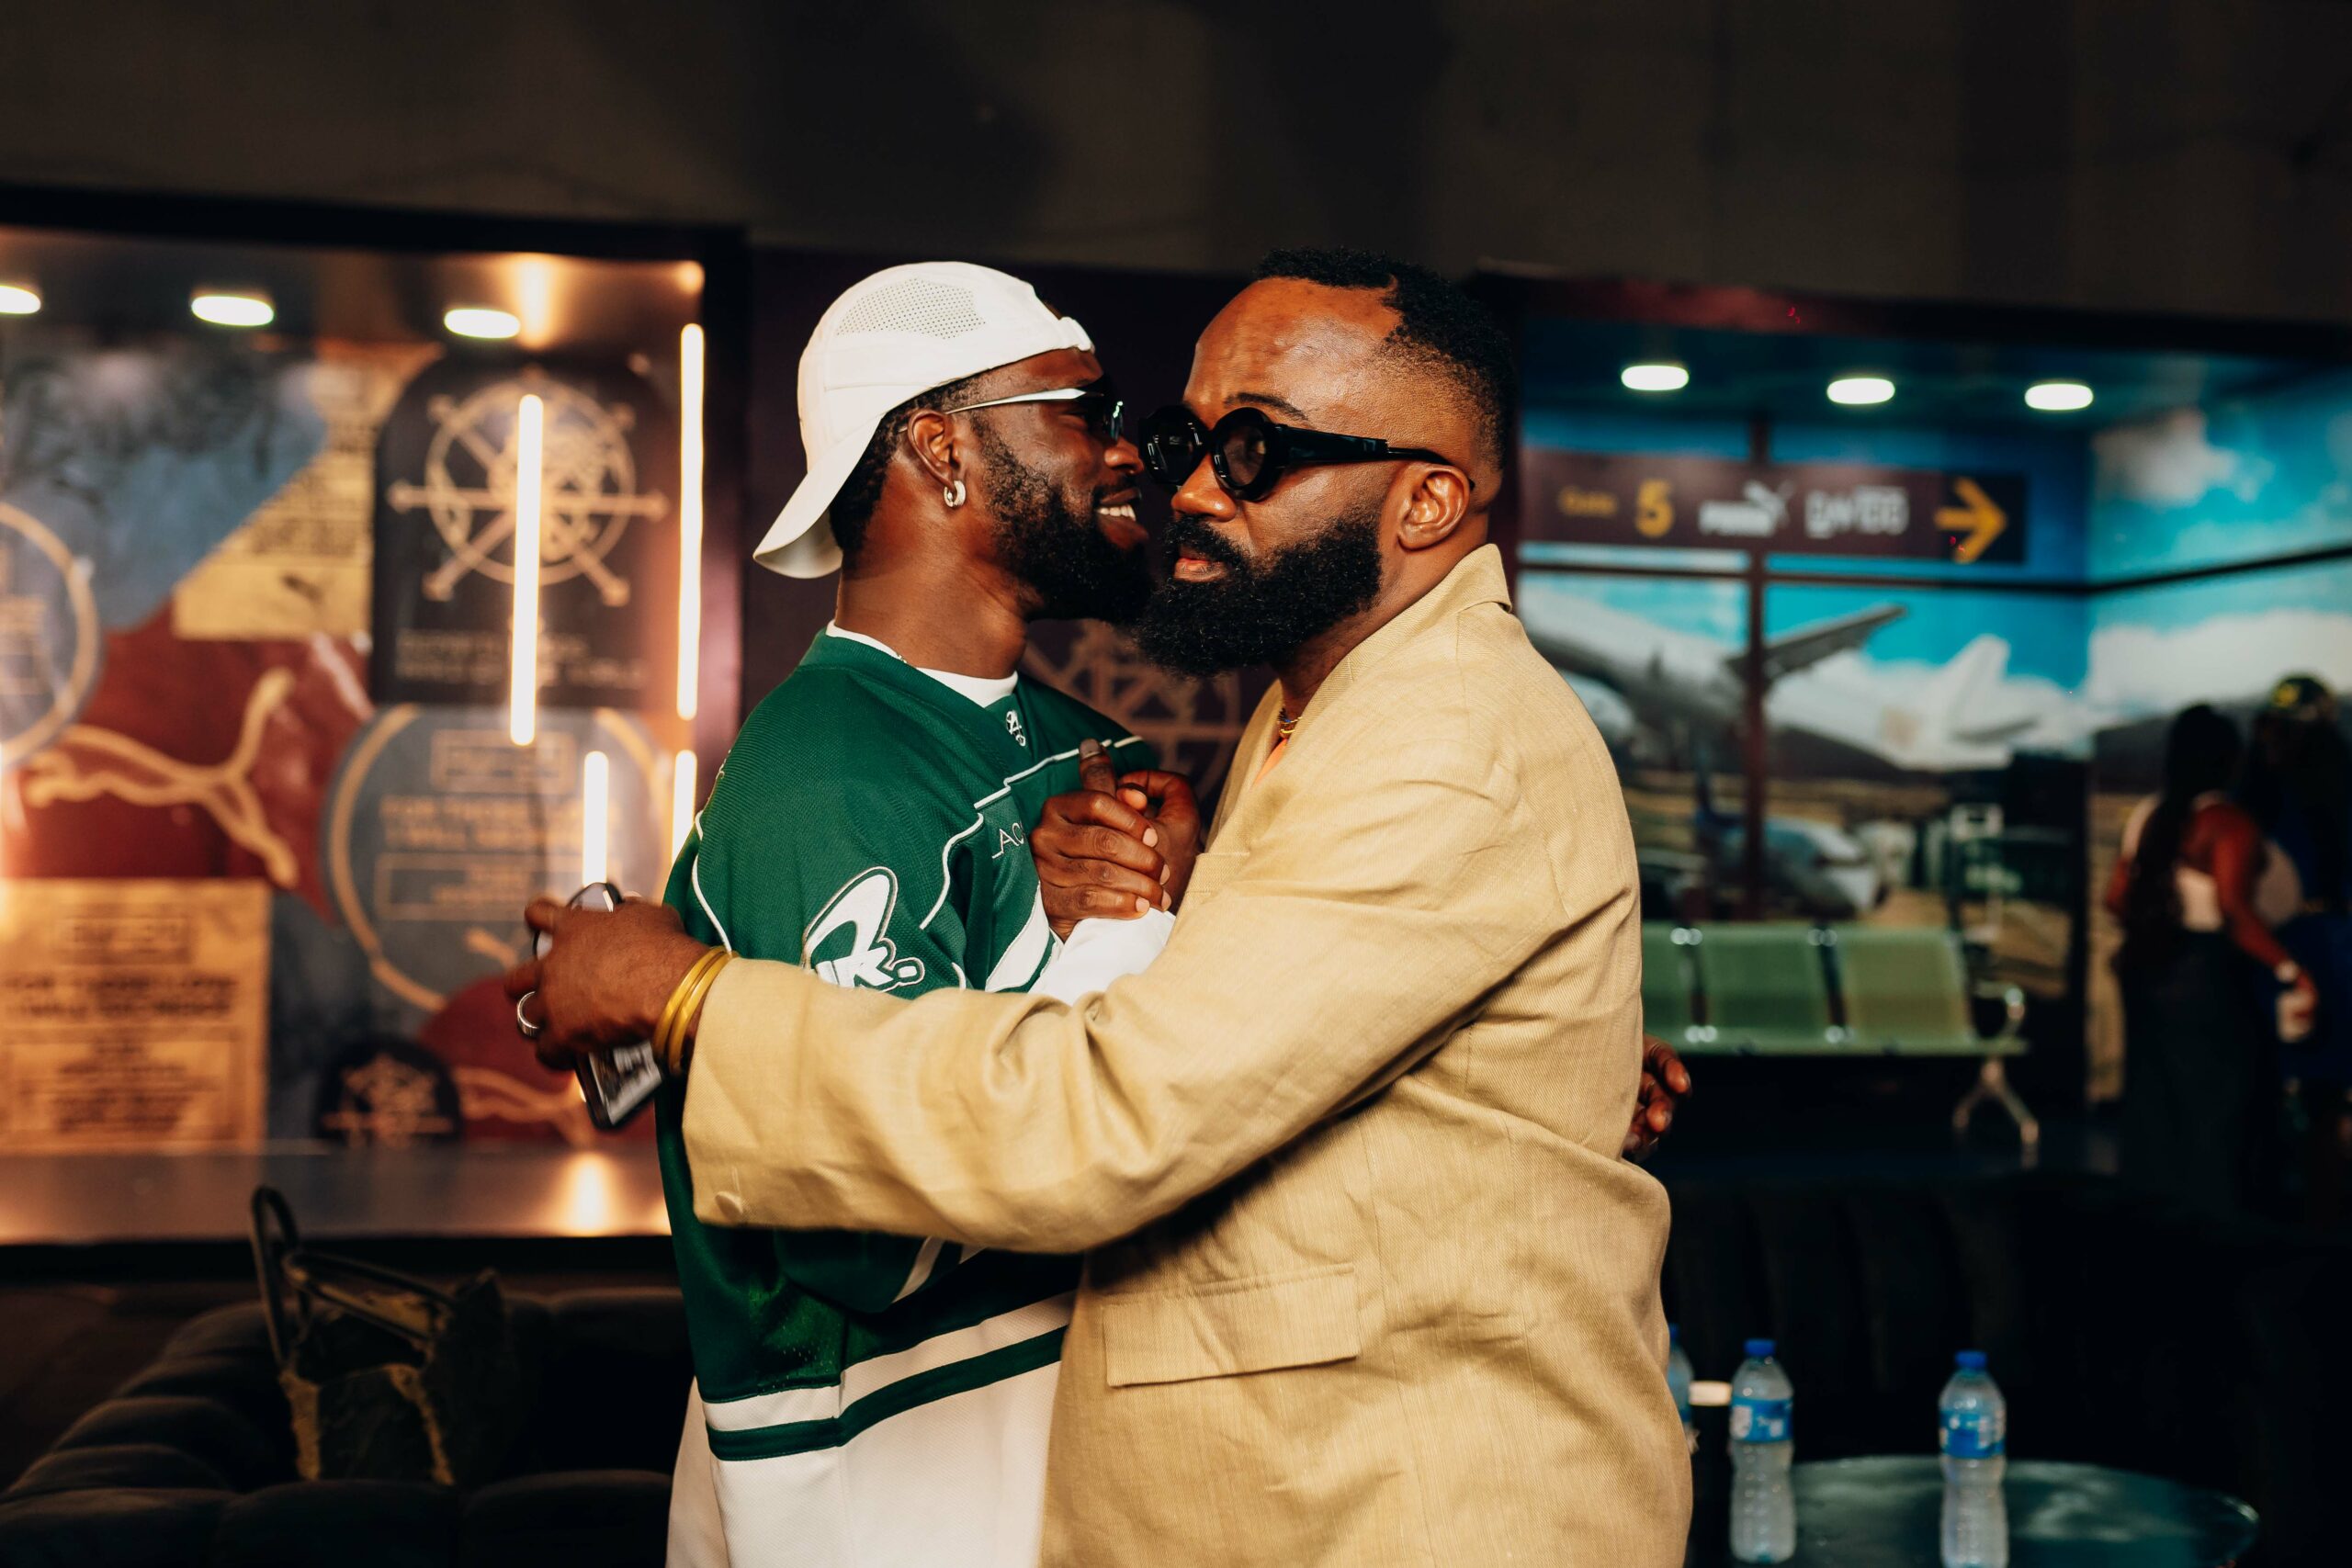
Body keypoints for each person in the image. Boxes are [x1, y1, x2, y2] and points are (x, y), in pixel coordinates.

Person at [514, 249, 1693, 1566]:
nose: (1179, 484)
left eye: (1252, 451)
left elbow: (1114, 1113)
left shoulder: (1436, 737)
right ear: (938, 450)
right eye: (1184, 438)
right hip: (934, 1478)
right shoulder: (1305, 709)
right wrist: (1509, 1066)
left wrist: (685, 997)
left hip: (1405, 1504)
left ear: (1425, 501)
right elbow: (890, 1237)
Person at [2106, 703, 2312, 1213]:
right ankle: (2218, 1231)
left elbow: (2115, 897)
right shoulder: (2227, 822)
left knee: (2156, 1112)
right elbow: (2235, 912)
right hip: (2204, 975)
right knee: (2220, 1112)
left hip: (2147, 970)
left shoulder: (2150, 815)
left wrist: (2160, 915)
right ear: (2229, 760)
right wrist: (2292, 970)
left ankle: (2153, 1230)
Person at [2242, 674, 2352, 1224]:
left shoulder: (2287, 792)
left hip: (2306, 950)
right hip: (2290, 950)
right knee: (2299, 1089)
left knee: (2316, 1090)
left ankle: (2312, 1212)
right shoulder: (2263, 794)